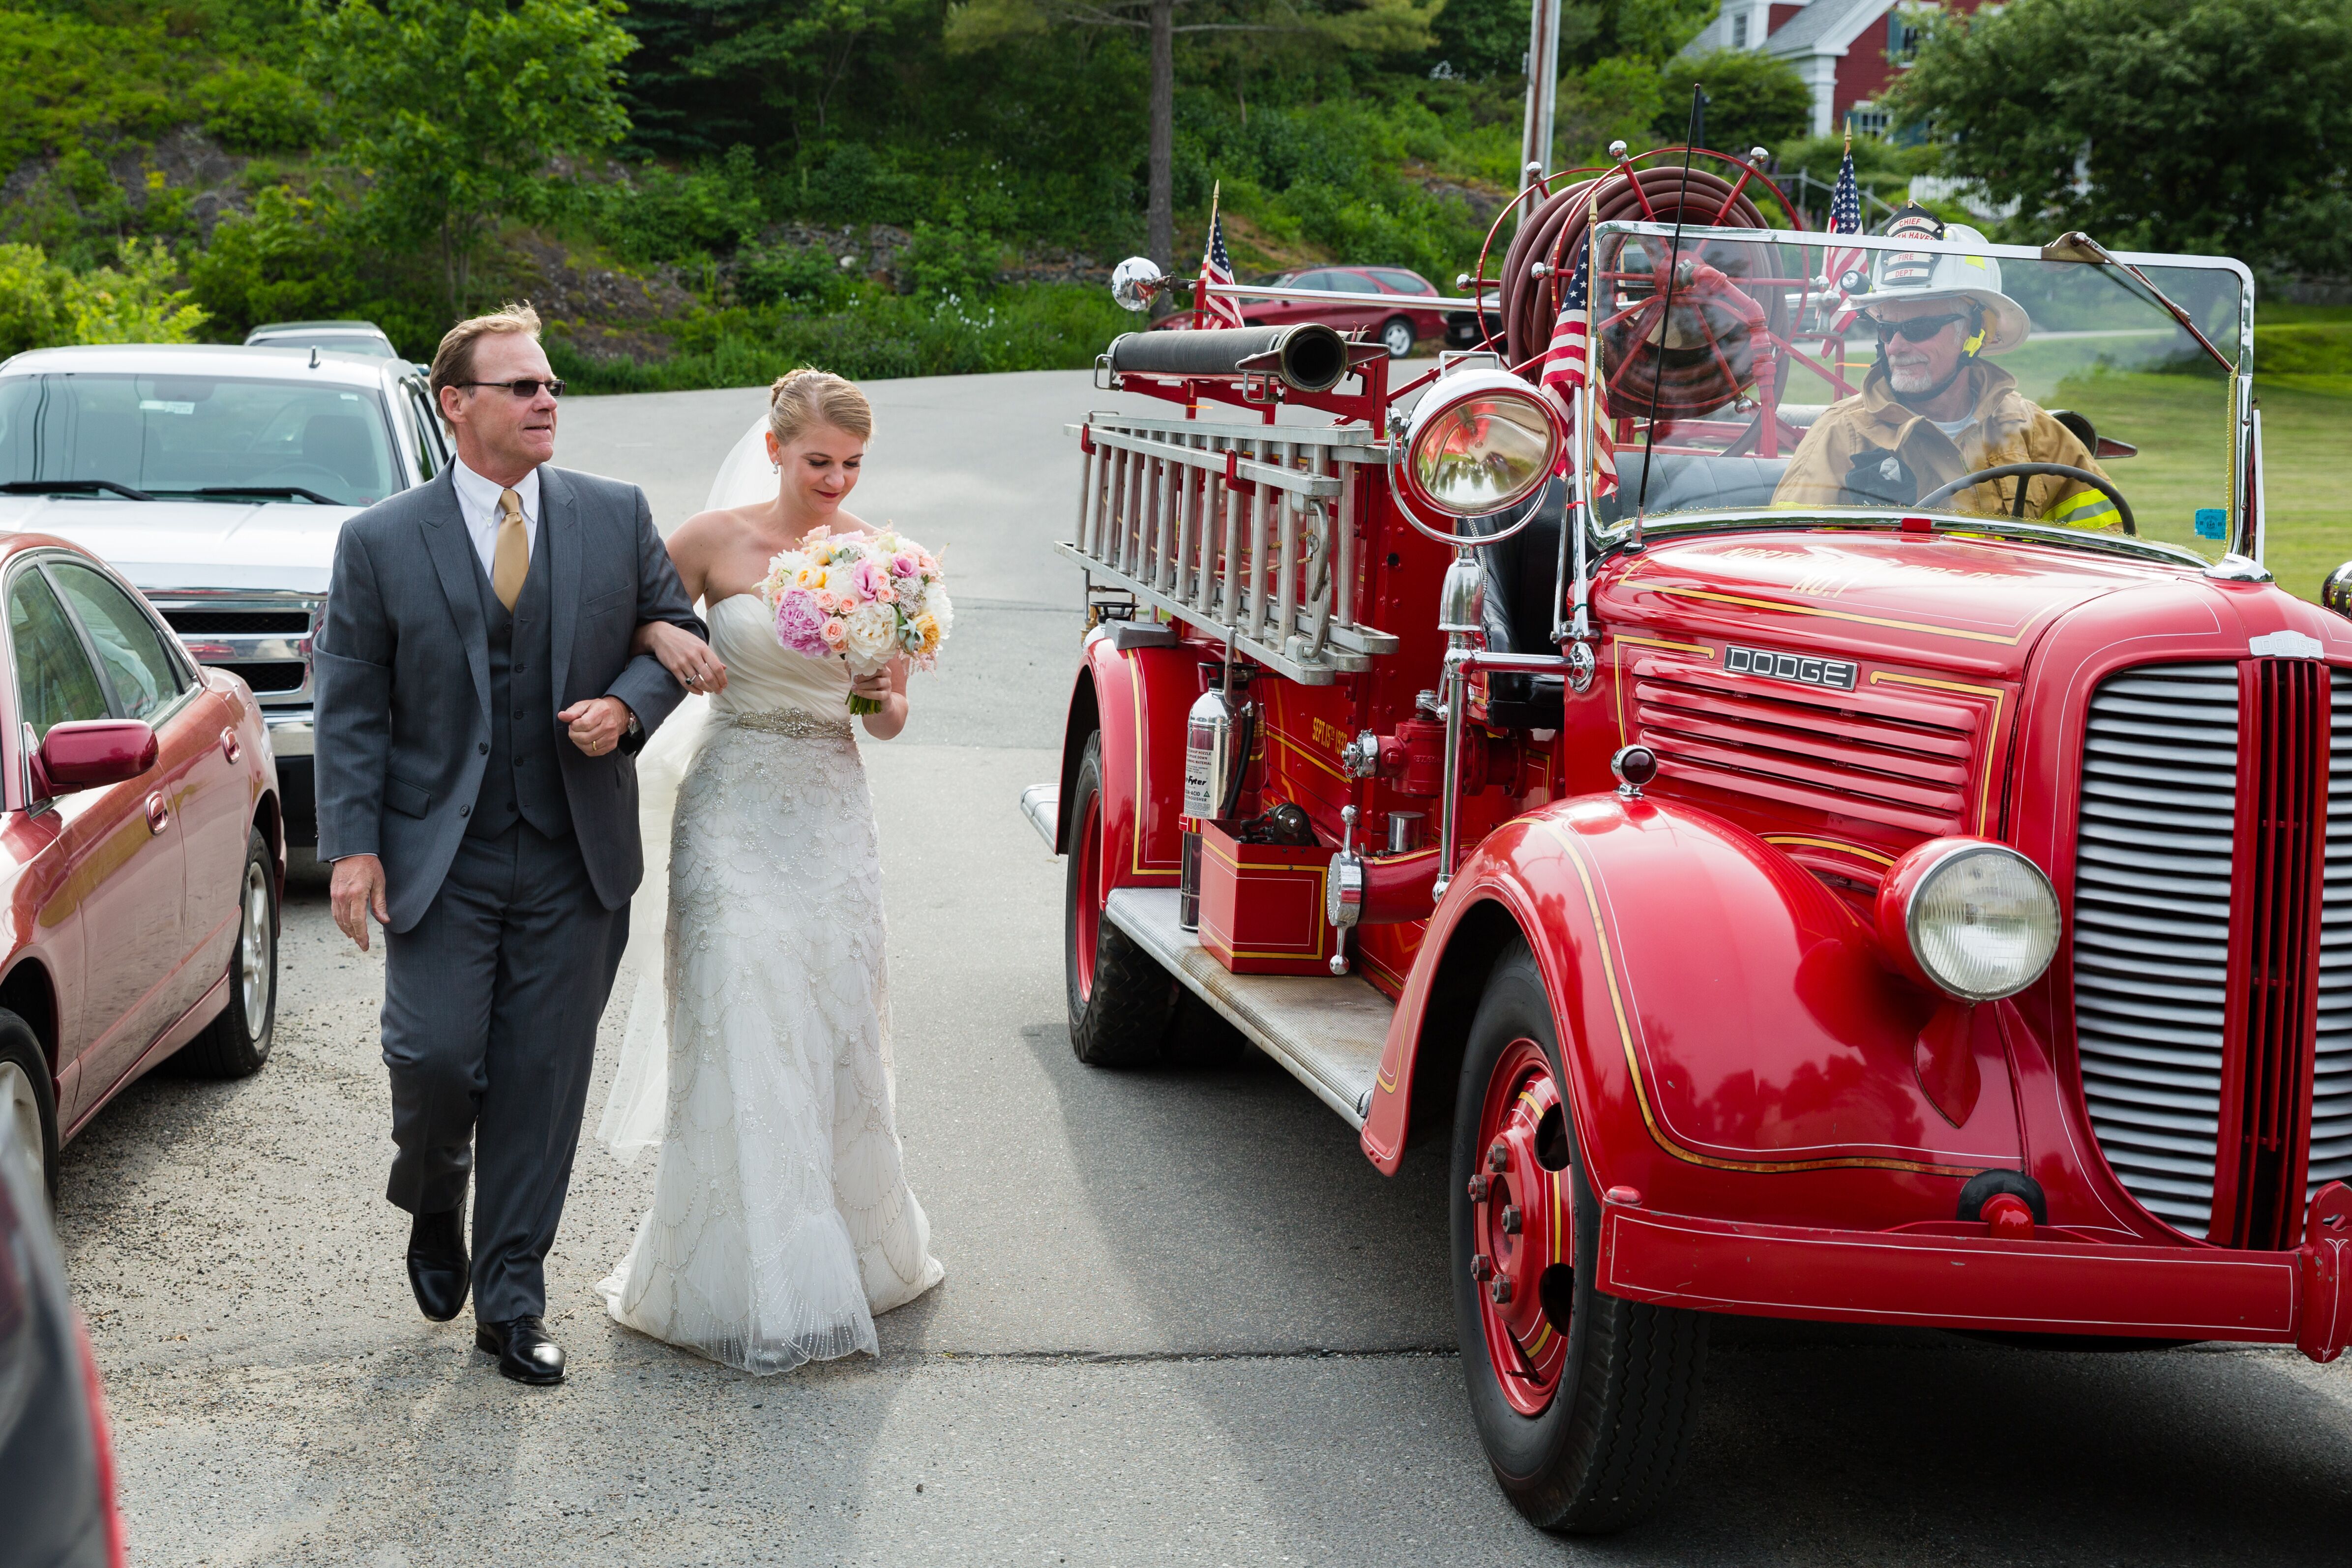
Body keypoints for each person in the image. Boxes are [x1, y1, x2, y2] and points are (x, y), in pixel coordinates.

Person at [314, 303, 705, 1386]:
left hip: (577, 853)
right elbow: (350, 704)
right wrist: (352, 844)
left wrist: (627, 707)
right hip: (443, 853)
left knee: (541, 1080)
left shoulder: (612, 513)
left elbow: (677, 637)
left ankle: (513, 1297)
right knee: (435, 1058)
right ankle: (435, 1197)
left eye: (552, 387)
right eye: (521, 386)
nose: (547, 401)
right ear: (457, 403)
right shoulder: (383, 539)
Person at [594, 368, 945, 1374]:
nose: (835, 479)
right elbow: (629, 626)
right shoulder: (712, 540)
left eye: (851, 464)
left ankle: (842, 1250)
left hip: (830, 810)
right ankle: (736, 1268)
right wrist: (666, 629)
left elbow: (889, 720)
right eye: (818, 459)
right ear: (778, 448)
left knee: (830, 1018)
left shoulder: (884, 563)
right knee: (741, 1001)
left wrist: (880, 689)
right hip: (733, 800)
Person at [1773, 215, 2120, 529]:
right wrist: (1871, 531)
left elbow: (2109, 551)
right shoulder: (1841, 435)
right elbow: (1788, 559)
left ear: (1975, 331)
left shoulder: (2033, 432)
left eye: (1918, 328)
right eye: (1886, 329)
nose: (1894, 346)